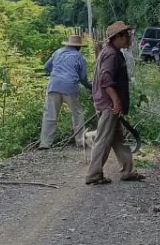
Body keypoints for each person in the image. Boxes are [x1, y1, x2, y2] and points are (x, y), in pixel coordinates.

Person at [85, 20, 145, 186]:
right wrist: (116, 101)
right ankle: (94, 174)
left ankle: (129, 171)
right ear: (119, 36)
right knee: (103, 139)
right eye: (127, 35)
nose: (130, 38)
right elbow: (106, 80)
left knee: (119, 139)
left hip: (108, 103)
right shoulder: (111, 54)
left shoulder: (111, 52)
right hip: (109, 105)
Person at [39, 33, 90, 149]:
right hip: (70, 86)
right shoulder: (79, 57)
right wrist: (90, 86)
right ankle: (80, 141)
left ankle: (45, 143)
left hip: (54, 85)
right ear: (79, 46)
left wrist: (57, 73)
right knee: (77, 113)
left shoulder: (58, 52)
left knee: (50, 114)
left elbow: (46, 66)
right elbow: (83, 78)